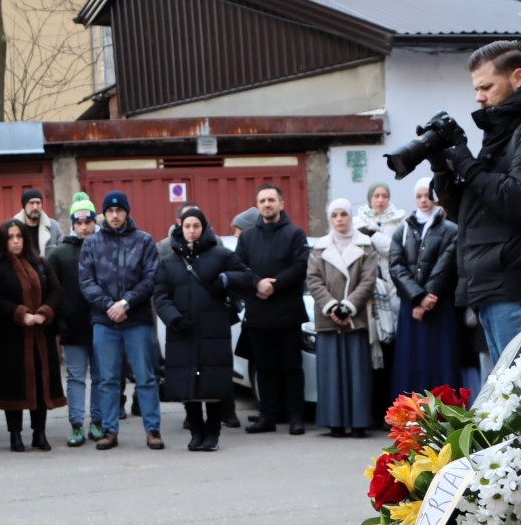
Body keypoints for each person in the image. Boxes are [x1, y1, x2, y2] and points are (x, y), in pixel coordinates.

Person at [429, 40, 521, 362]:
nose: (478, 97)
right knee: (508, 405)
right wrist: (442, 167)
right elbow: (465, 214)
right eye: (476, 88)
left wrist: (466, 163)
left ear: (518, 78)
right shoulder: (506, 131)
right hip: (495, 289)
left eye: (486, 86)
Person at [155, 207, 255, 452]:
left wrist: (226, 279)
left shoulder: (220, 255)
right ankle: (196, 431)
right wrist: (174, 319)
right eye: (187, 226)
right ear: (181, 228)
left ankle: (212, 432)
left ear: (203, 228)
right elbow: (160, 295)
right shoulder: (169, 262)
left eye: (196, 226)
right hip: (182, 331)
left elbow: (247, 277)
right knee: (188, 383)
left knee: (213, 382)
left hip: (213, 330)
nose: (191, 231)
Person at [79, 190, 163, 451]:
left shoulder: (144, 241)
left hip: (137, 320)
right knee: (107, 379)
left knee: (145, 377)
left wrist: (127, 303)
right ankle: (109, 430)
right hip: (104, 322)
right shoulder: (92, 244)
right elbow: (86, 281)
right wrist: (109, 306)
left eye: (120, 210)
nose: (115, 215)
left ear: (127, 212)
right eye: (110, 211)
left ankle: (153, 429)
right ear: (104, 214)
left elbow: (151, 277)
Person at [235, 184, 310, 435]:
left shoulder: (295, 235)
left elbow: (300, 267)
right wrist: (257, 283)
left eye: (271, 200)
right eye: (262, 200)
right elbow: (239, 268)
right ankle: (266, 415)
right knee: (264, 369)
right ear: (257, 206)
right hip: (258, 314)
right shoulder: (247, 237)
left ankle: (295, 417)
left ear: (281, 204)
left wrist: (273, 285)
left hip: (287, 313)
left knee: (291, 367)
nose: (267, 204)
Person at [0, 220, 63, 451]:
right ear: (3, 241)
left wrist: (44, 312)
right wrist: (21, 314)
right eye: (11, 237)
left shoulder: (40, 262)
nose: (16, 241)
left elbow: (57, 290)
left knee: (40, 383)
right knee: (14, 386)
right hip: (10, 336)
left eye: (19, 236)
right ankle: (15, 435)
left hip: (40, 333)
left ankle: (39, 433)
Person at [306, 199, 378, 438]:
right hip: (328, 319)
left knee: (357, 373)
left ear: (350, 216)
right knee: (331, 373)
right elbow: (313, 280)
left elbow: (368, 280)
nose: (339, 219)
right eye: (335, 215)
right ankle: (334, 421)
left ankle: (358, 422)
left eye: (343, 214)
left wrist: (347, 307)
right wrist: (332, 307)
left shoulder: (365, 246)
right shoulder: (319, 248)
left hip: (355, 318)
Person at [388, 177, 462, 399]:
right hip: (411, 307)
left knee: (440, 359)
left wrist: (428, 297)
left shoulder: (451, 229)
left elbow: (446, 265)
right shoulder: (402, 231)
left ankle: (444, 415)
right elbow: (396, 266)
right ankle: (409, 417)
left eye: (428, 196)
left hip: (439, 305)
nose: (424, 200)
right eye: (419, 196)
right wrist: (417, 297)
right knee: (411, 360)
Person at [47, 199, 105, 447]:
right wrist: (58, 323)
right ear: (72, 224)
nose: (84, 227)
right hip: (72, 325)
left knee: (102, 377)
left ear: (95, 222)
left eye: (88, 221)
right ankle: (76, 425)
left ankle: (98, 422)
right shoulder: (59, 252)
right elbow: (53, 290)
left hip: (103, 324)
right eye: (79, 222)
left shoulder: (105, 248)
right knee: (75, 377)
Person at [356, 183, 405, 415]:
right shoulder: (357, 221)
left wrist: (374, 234)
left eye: (385, 195)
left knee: (390, 348)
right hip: (367, 293)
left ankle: (390, 407)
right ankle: (372, 409)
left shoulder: (398, 221)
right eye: (376, 195)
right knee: (371, 350)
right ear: (369, 198)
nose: (381, 200)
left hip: (392, 289)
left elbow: (395, 250)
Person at [11, 188, 63, 256]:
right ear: (24, 206)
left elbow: (62, 254)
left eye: (38, 203)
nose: (35, 207)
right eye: (31, 203)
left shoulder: (54, 227)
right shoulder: (12, 227)